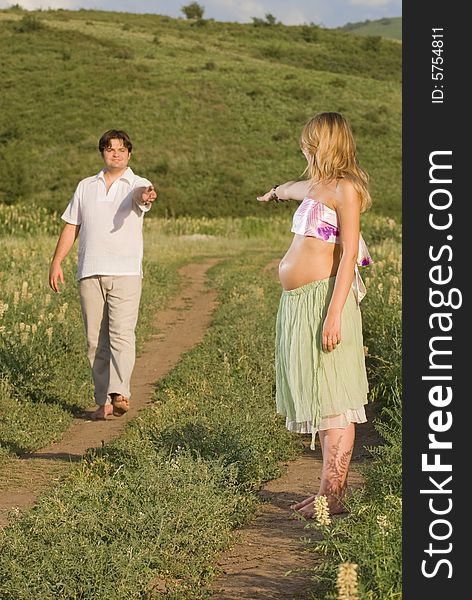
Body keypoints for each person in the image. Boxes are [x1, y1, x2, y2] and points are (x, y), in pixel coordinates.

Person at [257, 112, 373, 517]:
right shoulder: (315, 186)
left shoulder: (345, 189)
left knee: (334, 398)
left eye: (310, 141)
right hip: (297, 303)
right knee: (319, 396)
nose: (304, 146)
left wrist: (334, 313)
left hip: (324, 300)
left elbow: (347, 260)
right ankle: (327, 490)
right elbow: (291, 189)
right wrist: (273, 192)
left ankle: (334, 496)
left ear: (326, 142)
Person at [49, 129, 157, 420]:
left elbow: (141, 197)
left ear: (129, 154)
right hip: (90, 271)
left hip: (125, 273)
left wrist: (146, 196)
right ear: (103, 153)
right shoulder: (86, 186)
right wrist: (57, 261)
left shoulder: (138, 183)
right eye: (110, 149)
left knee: (121, 334)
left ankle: (120, 393)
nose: (116, 154)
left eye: (122, 149)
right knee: (95, 342)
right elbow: (72, 226)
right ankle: (103, 402)